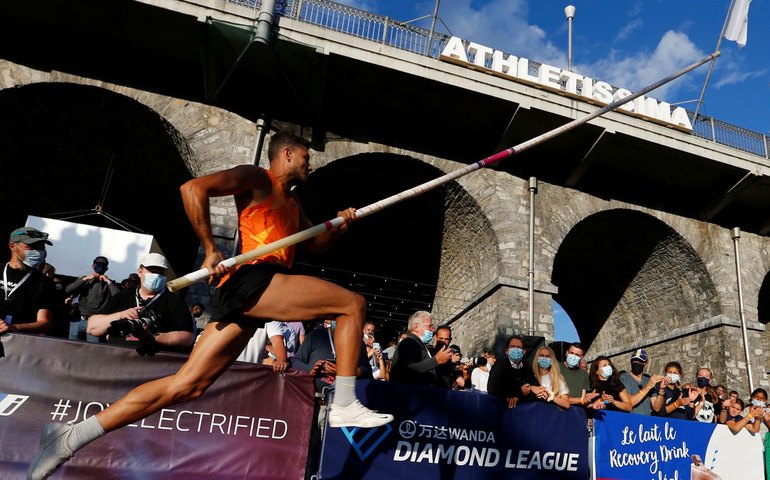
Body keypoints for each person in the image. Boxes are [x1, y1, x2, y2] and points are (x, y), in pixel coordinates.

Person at [28, 132, 393, 479]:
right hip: (254, 280)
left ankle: (69, 437)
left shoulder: (294, 203)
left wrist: (340, 228)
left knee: (187, 385)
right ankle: (345, 401)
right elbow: (192, 189)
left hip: (260, 291)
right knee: (352, 304)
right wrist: (211, 247)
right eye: (306, 156)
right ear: (286, 153)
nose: (309, 163)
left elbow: (314, 246)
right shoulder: (257, 178)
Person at [86, 253, 196, 354]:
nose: (156, 275)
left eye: (160, 272)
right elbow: (92, 327)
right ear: (140, 272)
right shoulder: (123, 296)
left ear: (166, 274)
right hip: (116, 358)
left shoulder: (174, 302)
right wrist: (120, 315)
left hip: (150, 363)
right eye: (152, 271)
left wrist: (151, 336)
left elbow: (187, 338)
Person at [0, 227, 56, 337]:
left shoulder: (45, 283)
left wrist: (14, 328)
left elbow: (44, 323)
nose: (38, 251)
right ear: (13, 247)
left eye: (41, 247)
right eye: (32, 246)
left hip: (18, 343)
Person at [389, 311, 452, 387]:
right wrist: (436, 360)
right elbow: (406, 370)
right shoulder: (409, 342)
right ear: (416, 327)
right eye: (430, 326)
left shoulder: (419, 344)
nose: (432, 330)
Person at [65, 256, 121, 342]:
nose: (101, 267)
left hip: (96, 322)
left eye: (103, 265)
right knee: (72, 347)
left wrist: (108, 281)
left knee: (92, 349)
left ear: (107, 268)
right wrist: (85, 279)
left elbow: (118, 296)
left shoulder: (109, 283)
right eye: (98, 264)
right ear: (93, 266)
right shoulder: (85, 280)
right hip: (78, 319)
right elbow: (68, 289)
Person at [487, 335, 541, 408]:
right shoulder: (500, 365)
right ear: (507, 351)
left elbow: (536, 389)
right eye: (512, 347)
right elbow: (493, 390)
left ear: (524, 352)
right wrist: (519, 392)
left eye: (518, 347)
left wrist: (520, 395)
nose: (515, 349)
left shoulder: (527, 367)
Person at [618, 349, 664, 415]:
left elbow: (656, 408)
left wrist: (661, 390)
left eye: (640, 361)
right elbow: (629, 403)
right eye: (634, 360)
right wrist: (647, 387)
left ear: (645, 363)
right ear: (631, 361)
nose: (637, 362)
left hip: (645, 422)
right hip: (630, 422)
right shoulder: (623, 378)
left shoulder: (647, 380)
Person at [560, 342, 595, 407]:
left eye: (577, 355)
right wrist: (581, 400)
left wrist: (593, 405)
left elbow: (584, 400)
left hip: (577, 412)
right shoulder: (556, 368)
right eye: (571, 353)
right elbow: (556, 396)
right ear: (567, 353)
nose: (573, 356)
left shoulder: (584, 374)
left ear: (581, 357)